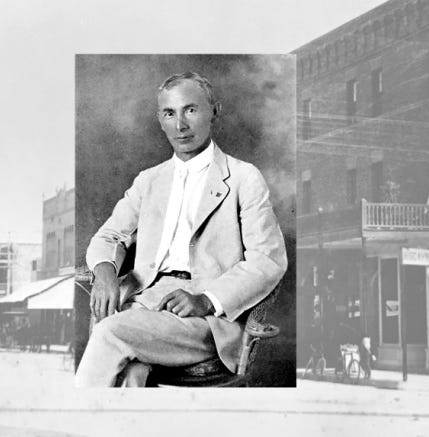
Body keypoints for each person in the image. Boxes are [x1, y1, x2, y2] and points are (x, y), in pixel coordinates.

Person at [75, 71, 288, 387]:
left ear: (214, 110)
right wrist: (105, 273)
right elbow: (109, 236)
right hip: (143, 301)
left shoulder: (244, 177)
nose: (181, 125)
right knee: (131, 373)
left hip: (206, 318)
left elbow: (268, 260)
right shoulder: (149, 180)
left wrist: (206, 299)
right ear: (160, 121)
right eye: (169, 113)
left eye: (191, 109)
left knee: (109, 332)